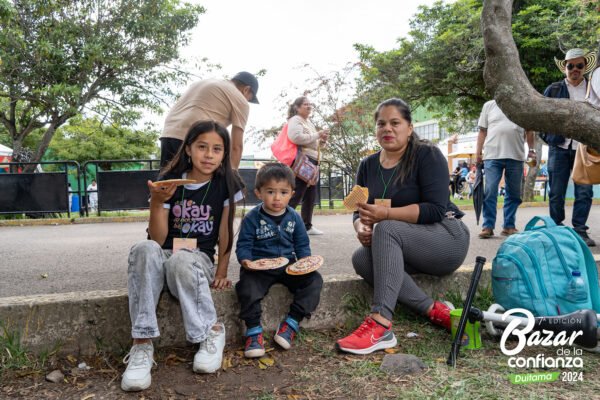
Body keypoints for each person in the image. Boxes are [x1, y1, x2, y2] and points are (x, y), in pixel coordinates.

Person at [336, 98, 470, 355]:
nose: (387, 128)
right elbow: (359, 209)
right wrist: (360, 228)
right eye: (381, 124)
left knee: (386, 227)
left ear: (409, 127)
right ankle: (434, 310)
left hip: (445, 237)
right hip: (404, 244)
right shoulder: (367, 165)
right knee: (362, 258)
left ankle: (381, 324)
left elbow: (435, 209)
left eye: (395, 122)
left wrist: (385, 214)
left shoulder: (427, 154)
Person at [121, 121, 244, 392]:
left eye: (217, 149)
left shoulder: (225, 183)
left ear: (224, 154)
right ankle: (142, 345)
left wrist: (222, 271)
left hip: (195, 259)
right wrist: (156, 202)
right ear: (188, 149)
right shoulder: (170, 180)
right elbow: (156, 238)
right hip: (162, 253)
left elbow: (225, 231)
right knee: (143, 249)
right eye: (202, 147)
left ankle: (210, 332)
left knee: (181, 259)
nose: (209, 155)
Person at [235, 162, 323, 358]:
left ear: (292, 193)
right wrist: (246, 261)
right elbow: (243, 245)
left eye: (283, 192)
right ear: (259, 193)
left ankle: (291, 323)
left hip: (288, 265)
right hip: (259, 266)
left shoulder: (294, 217)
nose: (277, 198)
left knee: (314, 280)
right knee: (247, 287)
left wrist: (305, 262)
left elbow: (301, 244)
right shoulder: (252, 218)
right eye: (270, 192)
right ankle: (253, 331)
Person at [542, 48, 596, 247]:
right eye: (570, 65)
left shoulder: (594, 89)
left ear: (585, 67)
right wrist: (550, 138)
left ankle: (580, 230)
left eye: (579, 65)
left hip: (585, 149)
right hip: (559, 147)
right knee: (556, 191)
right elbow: (542, 118)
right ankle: (556, 229)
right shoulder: (553, 90)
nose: (575, 69)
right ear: (564, 67)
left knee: (584, 192)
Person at [160, 71, 260, 169]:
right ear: (246, 89)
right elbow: (236, 146)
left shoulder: (203, 83)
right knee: (193, 183)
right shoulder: (240, 99)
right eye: (249, 99)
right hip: (194, 140)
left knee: (167, 182)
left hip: (168, 134)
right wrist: (233, 177)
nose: (247, 101)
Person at [475, 100, 534, 239]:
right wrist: (478, 152)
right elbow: (483, 131)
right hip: (492, 156)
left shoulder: (522, 104)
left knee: (513, 193)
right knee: (490, 191)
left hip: (516, 155)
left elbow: (530, 131)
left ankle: (509, 226)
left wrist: (531, 151)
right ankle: (488, 226)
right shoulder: (489, 105)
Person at [287, 96, 329, 235]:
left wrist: (322, 141)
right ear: (297, 107)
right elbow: (295, 137)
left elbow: (313, 142)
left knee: (310, 194)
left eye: (310, 104)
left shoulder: (308, 122)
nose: (309, 106)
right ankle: (282, 222)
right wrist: (318, 134)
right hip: (304, 161)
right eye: (305, 104)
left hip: (313, 161)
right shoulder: (295, 120)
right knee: (297, 192)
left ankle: (307, 225)